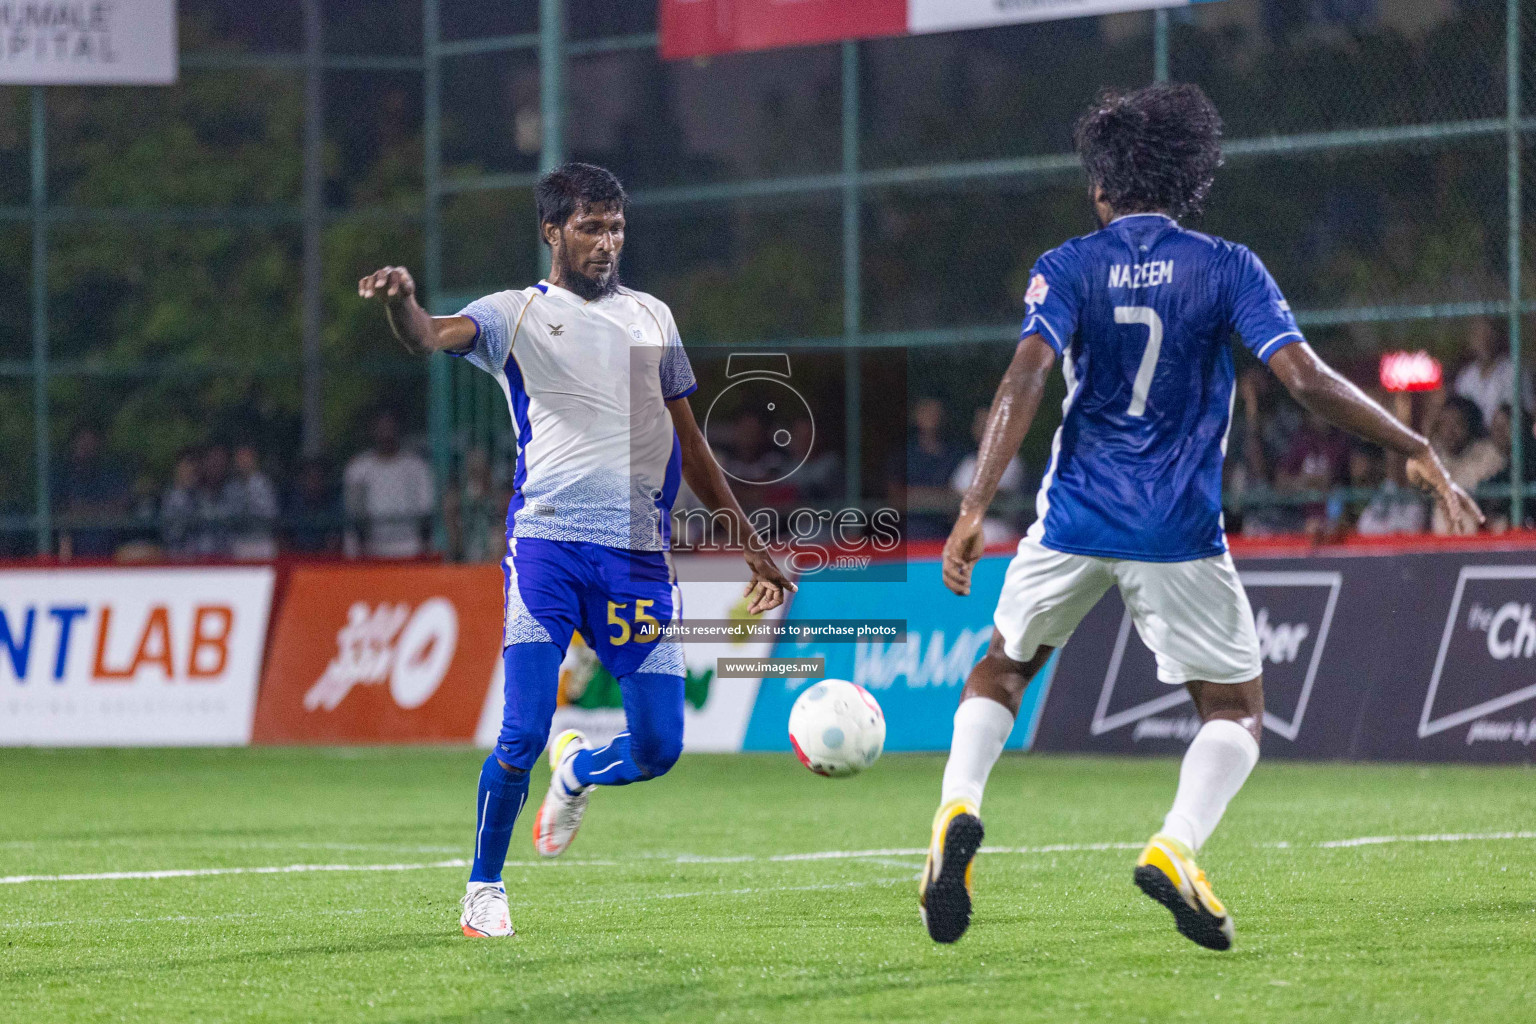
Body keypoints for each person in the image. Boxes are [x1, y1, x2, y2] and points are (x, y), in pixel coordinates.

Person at [923, 84, 1481, 950]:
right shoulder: (1227, 266)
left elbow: (1023, 380)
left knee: (1003, 668)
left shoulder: (1067, 263)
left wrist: (972, 507)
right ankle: (1175, 846)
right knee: (1235, 708)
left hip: (1071, 517)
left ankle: (957, 808)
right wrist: (1416, 444)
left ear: (1102, 187)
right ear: (1189, 179)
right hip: (1176, 528)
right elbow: (1305, 380)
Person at [358, 162, 793, 939]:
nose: (607, 242)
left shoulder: (652, 317)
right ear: (552, 231)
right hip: (549, 547)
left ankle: (579, 771)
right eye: (591, 227)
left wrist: (752, 546)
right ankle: (483, 887)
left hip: (635, 559)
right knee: (522, 729)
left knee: (659, 746)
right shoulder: (514, 316)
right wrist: (403, 305)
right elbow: (429, 336)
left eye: (617, 226)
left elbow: (689, 443)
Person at [342, 411, 435, 558]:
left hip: (410, 548)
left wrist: (424, 549)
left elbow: (426, 512)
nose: (386, 432)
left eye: (391, 426)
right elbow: (355, 514)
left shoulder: (417, 467)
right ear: (372, 430)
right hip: (371, 550)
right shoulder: (358, 468)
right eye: (381, 427)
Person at [951, 406, 1028, 545]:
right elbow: (951, 500)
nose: (983, 429)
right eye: (980, 424)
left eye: (988, 423)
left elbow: (992, 496)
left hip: (998, 535)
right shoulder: (968, 463)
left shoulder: (1011, 461)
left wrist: (967, 497)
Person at [1427, 396, 1504, 535]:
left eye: (1457, 424)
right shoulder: (1434, 457)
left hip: (1479, 540)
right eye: (1445, 424)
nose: (1449, 432)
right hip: (1441, 542)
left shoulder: (1488, 455)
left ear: (1470, 426)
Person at [55, 425, 130, 558]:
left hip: (111, 548)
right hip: (74, 551)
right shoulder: (62, 476)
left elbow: (120, 509)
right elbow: (61, 514)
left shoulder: (110, 474)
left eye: (90, 442)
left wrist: (84, 511)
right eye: (82, 441)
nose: (86, 447)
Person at [1453, 318, 1532, 428]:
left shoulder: (1514, 370)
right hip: (1474, 442)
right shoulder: (1465, 377)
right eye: (1478, 336)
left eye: (1488, 334)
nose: (1483, 341)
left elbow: (1529, 409)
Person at [230, 444, 280, 560]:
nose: (243, 462)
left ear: (254, 459)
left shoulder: (265, 484)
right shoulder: (233, 487)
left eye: (246, 457)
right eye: (240, 458)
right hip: (241, 541)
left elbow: (271, 513)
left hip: (262, 541)